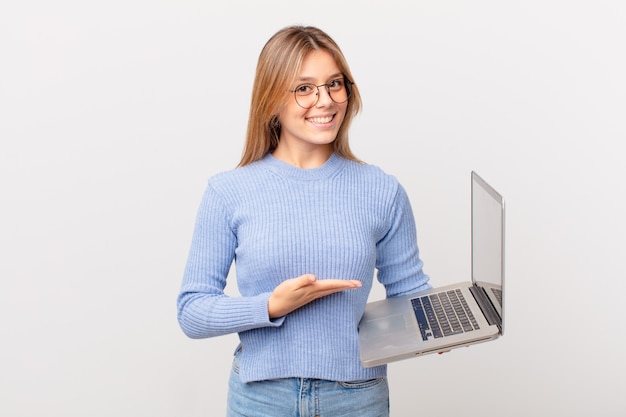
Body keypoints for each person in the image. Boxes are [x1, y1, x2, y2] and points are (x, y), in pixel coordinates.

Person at [177, 25, 431, 417]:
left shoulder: (382, 190)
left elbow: (410, 294)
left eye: (334, 84)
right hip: (262, 398)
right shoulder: (228, 191)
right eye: (304, 88)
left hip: (356, 396)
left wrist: (441, 324)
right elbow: (192, 311)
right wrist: (271, 306)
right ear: (272, 98)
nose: (325, 100)